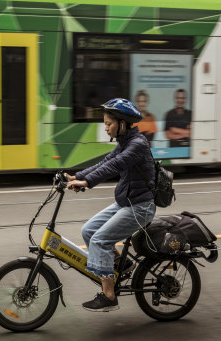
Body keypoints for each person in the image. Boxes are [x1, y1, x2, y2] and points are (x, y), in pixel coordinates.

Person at [65, 98, 156, 312]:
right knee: (88, 231)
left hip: (140, 207)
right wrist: (76, 176)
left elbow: (115, 165)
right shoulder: (125, 141)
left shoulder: (137, 145)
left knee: (100, 240)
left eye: (108, 124)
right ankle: (122, 264)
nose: (106, 128)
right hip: (126, 203)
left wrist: (87, 182)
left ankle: (108, 296)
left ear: (122, 123)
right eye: (105, 124)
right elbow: (105, 162)